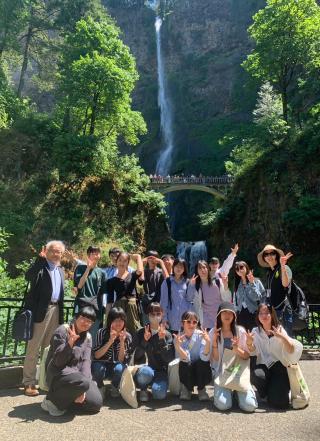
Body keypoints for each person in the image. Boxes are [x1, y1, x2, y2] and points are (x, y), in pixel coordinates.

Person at [42, 306, 102, 416]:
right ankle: (51, 401)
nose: (85, 322)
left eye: (89, 321)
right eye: (83, 318)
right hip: (58, 374)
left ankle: (69, 400)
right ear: (76, 318)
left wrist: (85, 386)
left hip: (76, 376)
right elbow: (58, 362)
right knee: (82, 383)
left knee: (96, 403)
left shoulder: (88, 337)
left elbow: (86, 362)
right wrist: (70, 343)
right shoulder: (62, 331)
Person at [23, 241, 65, 397]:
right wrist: (39, 261)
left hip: (56, 310)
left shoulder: (60, 270)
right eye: (53, 251)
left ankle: (44, 381)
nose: (56, 254)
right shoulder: (41, 266)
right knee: (33, 347)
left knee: (49, 349)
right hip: (41, 311)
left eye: (59, 252)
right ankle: (28, 382)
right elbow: (28, 276)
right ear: (46, 252)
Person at [247, 303, 298, 409]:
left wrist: (282, 337)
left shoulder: (279, 329)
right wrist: (249, 343)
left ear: (272, 315)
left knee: (281, 404)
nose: (264, 315)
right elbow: (253, 352)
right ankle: (264, 394)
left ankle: (278, 390)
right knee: (256, 375)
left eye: (267, 313)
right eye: (261, 313)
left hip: (279, 367)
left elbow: (291, 349)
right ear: (258, 316)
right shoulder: (255, 332)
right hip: (264, 366)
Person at [209, 302, 257, 412]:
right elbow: (215, 360)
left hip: (238, 372)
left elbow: (246, 356)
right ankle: (227, 393)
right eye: (224, 312)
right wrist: (215, 342)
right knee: (223, 405)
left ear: (234, 316)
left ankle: (236, 393)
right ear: (219, 315)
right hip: (222, 373)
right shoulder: (214, 332)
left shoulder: (240, 331)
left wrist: (236, 349)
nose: (227, 315)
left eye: (230, 313)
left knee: (250, 406)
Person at [131, 302, 174, 402]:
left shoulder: (167, 334)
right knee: (146, 372)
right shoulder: (141, 332)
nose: (155, 317)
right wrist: (144, 341)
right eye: (152, 314)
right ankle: (143, 389)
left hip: (161, 371)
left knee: (159, 395)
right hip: (144, 370)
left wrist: (162, 340)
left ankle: (155, 386)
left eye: (158, 314)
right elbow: (136, 357)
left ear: (162, 314)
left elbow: (169, 359)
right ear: (148, 315)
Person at [92, 307, 131, 399]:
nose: (118, 323)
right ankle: (100, 386)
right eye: (115, 320)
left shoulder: (127, 336)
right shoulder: (101, 332)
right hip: (102, 364)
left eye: (121, 320)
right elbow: (96, 356)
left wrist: (122, 342)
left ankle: (115, 386)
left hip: (116, 366)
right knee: (97, 367)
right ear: (110, 321)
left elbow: (121, 360)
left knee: (120, 368)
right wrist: (110, 341)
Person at [101, 252, 144, 335]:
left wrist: (138, 257)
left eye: (125, 261)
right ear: (116, 262)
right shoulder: (111, 281)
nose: (122, 263)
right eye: (120, 260)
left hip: (131, 305)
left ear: (128, 263)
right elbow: (109, 302)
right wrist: (106, 321)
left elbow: (140, 271)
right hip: (118, 306)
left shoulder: (132, 275)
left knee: (134, 330)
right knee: (118, 330)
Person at [174, 311, 212, 401]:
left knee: (202, 362)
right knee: (184, 363)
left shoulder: (201, 335)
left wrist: (208, 342)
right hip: (187, 369)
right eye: (188, 321)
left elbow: (204, 357)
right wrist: (178, 346)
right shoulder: (178, 337)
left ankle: (201, 389)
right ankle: (187, 389)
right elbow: (185, 358)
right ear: (182, 323)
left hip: (200, 370)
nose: (191, 324)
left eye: (194, 322)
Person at [257, 244, 293, 335]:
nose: (269, 256)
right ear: (264, 257)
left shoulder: (283, 268)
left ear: (276, 255)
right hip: (273, 312)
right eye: (266, 254)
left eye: (272, 253)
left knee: (286, 338)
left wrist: (283, 266)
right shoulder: (269, 273)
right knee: (275, 339)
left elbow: (285, 284)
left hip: (283, 310)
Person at [187, 260, 231, 329]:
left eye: (204, 267)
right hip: (206, 322)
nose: (202, 270)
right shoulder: (196, 285)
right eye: (200, 268)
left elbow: (227, 299)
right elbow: (189, 298)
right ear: (197, 271)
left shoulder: (218, 282)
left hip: (220, 319)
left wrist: (225, 285)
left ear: (208, 268)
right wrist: (191, 285)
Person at [73, 246, 105, 340]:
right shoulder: (80, 268)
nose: (96, 255)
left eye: (98, 253)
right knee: (76, 338)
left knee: (91, 339)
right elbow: (79, 286)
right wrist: (88, 269)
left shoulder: (102, 272)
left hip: (96, 310)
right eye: (93, 253)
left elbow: (102, 294)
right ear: (88, 255)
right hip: (81, 308)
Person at [160, 258, 193, 333]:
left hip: (186, 320)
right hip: (172, 320)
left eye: (181, 267)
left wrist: (192, 285)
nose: (179, 269)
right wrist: (164, 319)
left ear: (184, 269)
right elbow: (163, 302)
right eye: (177, 266)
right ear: (173, 267)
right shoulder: (167, 282)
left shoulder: (188, 282)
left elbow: (190, 299)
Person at [233, 261, 265, 331]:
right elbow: (235, 300)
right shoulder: (237, 284)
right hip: (240, 314)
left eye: (241, 267)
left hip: (253, 313)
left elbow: (258, 297)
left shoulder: (256, 281)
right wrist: (235, 313)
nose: (240, 270)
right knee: (242, 336)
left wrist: (252, 283)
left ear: (246, 267)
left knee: (254, 336)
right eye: (237, 269)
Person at [140, 251, 169, 324]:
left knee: (158, 324)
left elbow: (168, 279)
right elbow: (141, 280)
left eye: (155, 258)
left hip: (159, 302)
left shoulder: (160, 272)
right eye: (150, 258)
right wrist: (141, 263)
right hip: (147, 303)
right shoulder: (144, 271)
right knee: (147, 325)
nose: (153, 260)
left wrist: (161, 263)